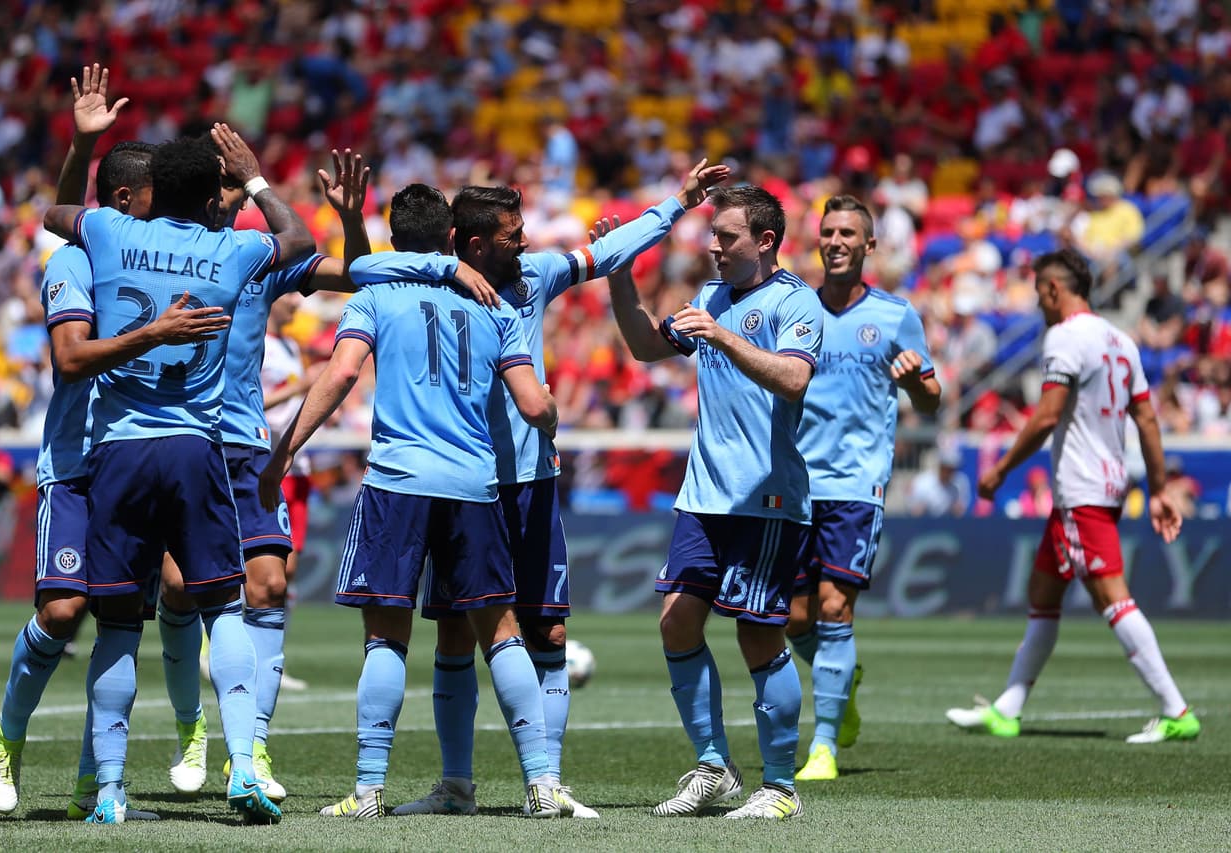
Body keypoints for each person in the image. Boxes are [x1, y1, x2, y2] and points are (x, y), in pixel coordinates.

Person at [357, 159, 728, 819]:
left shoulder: (537, 277)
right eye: (511, 233)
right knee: (451, 635)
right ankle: (455, 784)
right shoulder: (441, 289)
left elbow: (610, 247)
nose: (525, 241)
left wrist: (680, 201)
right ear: (471, 244)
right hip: (467, 484)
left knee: (548, 632)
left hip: (529, 484)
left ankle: (548, 782)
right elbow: (366, 275)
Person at [257, 183, 571, 819]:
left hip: (398, 482)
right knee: (502, 631)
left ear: (395, 240)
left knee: (386, 638)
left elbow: (341, 375)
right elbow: (535, 407)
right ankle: (540, 784)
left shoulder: (375, 295)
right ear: (451, 240)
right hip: (475, 487)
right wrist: (553, 415)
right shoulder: (493, 305)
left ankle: (370, 789)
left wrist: (286, 448)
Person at [43, 126, 315, 824]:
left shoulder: (106, 231)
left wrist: (81, 144)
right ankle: (246, 765)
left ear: (155, 190)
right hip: (198, 448)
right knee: (225, 607)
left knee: (118, 624)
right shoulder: (234, 250)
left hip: (119, 450)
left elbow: (53, 213)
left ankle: (108, 789)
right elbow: (300, 239)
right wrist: (254, 177)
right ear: (212, 195)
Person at [0, 65, 230, 819]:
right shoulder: (76, 261)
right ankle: (9, 738)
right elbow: (68, 357)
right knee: (62, 614)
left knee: (123, 614)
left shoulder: (153, 255)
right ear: (123, 201)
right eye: (158, 199)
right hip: (75, 463)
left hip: (140, 454)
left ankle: (100, 781)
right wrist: (82, 147)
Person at [156, 143, 372, 804]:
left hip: (247, 445)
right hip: (180, 437)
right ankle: (194, 726)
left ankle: (248, 747)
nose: (228, 200)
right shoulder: (160, 250)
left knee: (271, 585)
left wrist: (352, 217)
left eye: (235, 190)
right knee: (178, 589)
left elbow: (358, 272)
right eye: (219, 189)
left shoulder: (259, 257)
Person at [608, 185, 823, 820]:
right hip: (704, 493)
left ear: (764, 241)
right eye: (712, 234)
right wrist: (619, 275)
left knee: (758, 635)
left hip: (767, 495)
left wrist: (722, 337)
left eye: (725, 237)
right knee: (677, 620)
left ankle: (780, 788)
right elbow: (647, 347)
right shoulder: (711, 298)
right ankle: (714, 766)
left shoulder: (795, 302)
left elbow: (794, 378)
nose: (713, 247)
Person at [946, 248, 1200, 744]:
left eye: (1040, 292)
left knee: (1112, 598)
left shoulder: (1063, 337)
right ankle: (1008, 708)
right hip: (1098, 487)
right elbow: (1146, 418)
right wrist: (1158, 488)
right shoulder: (1121, 342)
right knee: (1043, 597)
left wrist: (998, 470)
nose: (1039, 303)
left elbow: (1045, 416)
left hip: (1081, 489)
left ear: (1054, 290)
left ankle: (1176, 709)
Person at [787, 195, 940, 783]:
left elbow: (930, 397)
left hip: (856, 482)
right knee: (793, 620)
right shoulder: (796, 309)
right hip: (795, 482)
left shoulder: (897, 316)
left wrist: (916, 385)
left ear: (869, 245)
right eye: (829, 231)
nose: (838, 240)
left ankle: (822, 745)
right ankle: (841, 681)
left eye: (849, 232)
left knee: (833, 606)